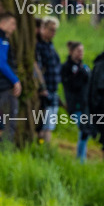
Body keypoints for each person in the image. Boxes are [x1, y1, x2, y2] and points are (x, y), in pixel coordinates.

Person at [0, 12, 22, 145]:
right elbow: (1, 63)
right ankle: (4, 152)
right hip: (3, 87)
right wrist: (15, 80)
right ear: (4, 22)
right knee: (7, 123)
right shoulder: (2, 39)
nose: (14, 28)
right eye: (12, 24)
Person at [61, 41, 91, 162]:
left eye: (82, 51)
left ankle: (82, 156)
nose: (80, 54)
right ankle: (81, 159)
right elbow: (71, 85)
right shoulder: (67, 67)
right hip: (75, 104)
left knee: (86, 130)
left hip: (85, 104)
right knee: (83, 129)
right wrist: (81, 74)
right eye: (78, 51)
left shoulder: (84, 67)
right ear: (71, 52)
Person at [35, 17, 62, 145]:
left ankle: (45, 148)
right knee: (42, 124)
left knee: (50, 124)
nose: (53, 33)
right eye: (51, 30)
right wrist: (42, 86)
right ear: (43, 29)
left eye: (55, 31)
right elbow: (37, 68)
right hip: (44, 90)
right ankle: (41, 146)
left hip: (53, 88)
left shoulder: (51, 46)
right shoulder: (39, 47)